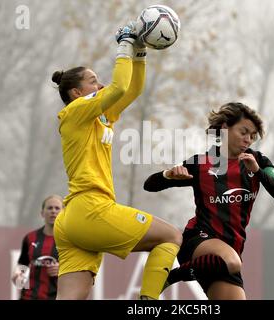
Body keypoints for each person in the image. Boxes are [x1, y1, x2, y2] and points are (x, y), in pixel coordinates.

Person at [51, 21, 182, 300]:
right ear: (76, 92)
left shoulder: (98, 115)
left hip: (73, 219)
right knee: (171, 236)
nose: (99, 85)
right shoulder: (76, 111)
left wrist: (140, 50)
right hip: (90, 210)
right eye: (93, 81)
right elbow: (118, 87)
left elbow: (131, 90)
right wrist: (124, 42)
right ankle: (147, 303)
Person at [144, 102, 274, 300]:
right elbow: (150, 184)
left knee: (231, 262)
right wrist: (169, 174)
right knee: (232, 261)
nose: (248, 139)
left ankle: (179, 275)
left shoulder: (259, 161)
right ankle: (173, 276)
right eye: (244, 132)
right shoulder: (201, 163)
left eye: (252, 135)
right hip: (199, 241)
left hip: (228, 254)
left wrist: (257, 171)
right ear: (224, 128)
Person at [11, 194, 63, 300]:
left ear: (63, 213)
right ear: (42, 213)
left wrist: (62, 269)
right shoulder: (30, 238)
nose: (53, 211)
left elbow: (78, 271)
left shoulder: (69, 240)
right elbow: (22, 267)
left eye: (57, 208)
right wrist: (17, 277)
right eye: (49, 208)